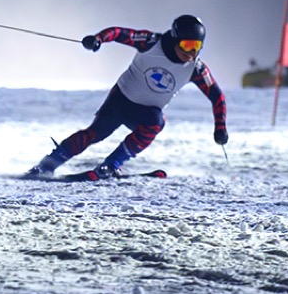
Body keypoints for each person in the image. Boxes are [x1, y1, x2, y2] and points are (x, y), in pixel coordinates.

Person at [24, 14, 228, 179]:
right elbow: (119, 33)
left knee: (157, 122)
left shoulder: (196, 69)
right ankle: (46, 166)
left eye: (196, 47)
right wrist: (98, 39)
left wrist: (220, 127)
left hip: (146, 113)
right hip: (120, 101)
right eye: (187, 45)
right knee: (95, 134)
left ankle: (111, 165)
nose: (191, 53)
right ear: (175, 39)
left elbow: (216, 96)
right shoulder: (151, 43)